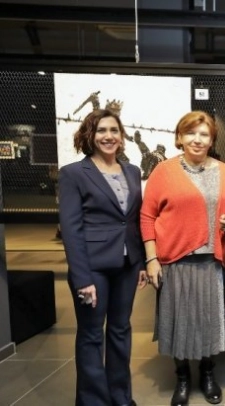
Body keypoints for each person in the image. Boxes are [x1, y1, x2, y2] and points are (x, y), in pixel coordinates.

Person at [141, 111, 225, 406]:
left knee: (209, 321)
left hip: (211, 261)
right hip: (175, 260)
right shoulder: (164, 171)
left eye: (204, 134)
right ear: (180, 137)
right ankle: (182, 377)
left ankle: (207, 373)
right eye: (191, 133)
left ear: (212, 140)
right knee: (178, 321)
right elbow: (147, 216)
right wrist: (151, 259)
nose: (197, 140)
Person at [58, 109, 146, 406]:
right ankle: (93, 401)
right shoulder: (73, 173)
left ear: (121, 136)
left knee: (121, 330)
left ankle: (121, 397)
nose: (109, 136)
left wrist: (141, 262)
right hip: (92, 268)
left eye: (114, 130)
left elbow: (132, 220)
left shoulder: (132, 171)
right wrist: (82, 279)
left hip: (127, 265)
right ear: (90, 135)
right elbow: (71, 229)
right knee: (92, 334)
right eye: (101, 131)